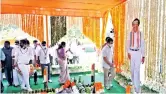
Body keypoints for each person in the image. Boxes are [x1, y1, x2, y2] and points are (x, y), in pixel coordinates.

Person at [127, 18, 145, 93]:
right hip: (131, 52)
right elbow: (127, 44)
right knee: (132, 70)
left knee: (137, 71)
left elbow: (143, 45)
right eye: (134, 24)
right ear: (132, 25)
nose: (135, 26)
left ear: (138, 25)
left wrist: (143, 56)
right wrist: (128, 52)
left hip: (138, 53)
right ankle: (134, 85)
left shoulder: (141, 34)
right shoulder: (130, 33)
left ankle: (138, 90)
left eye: (136, 24)